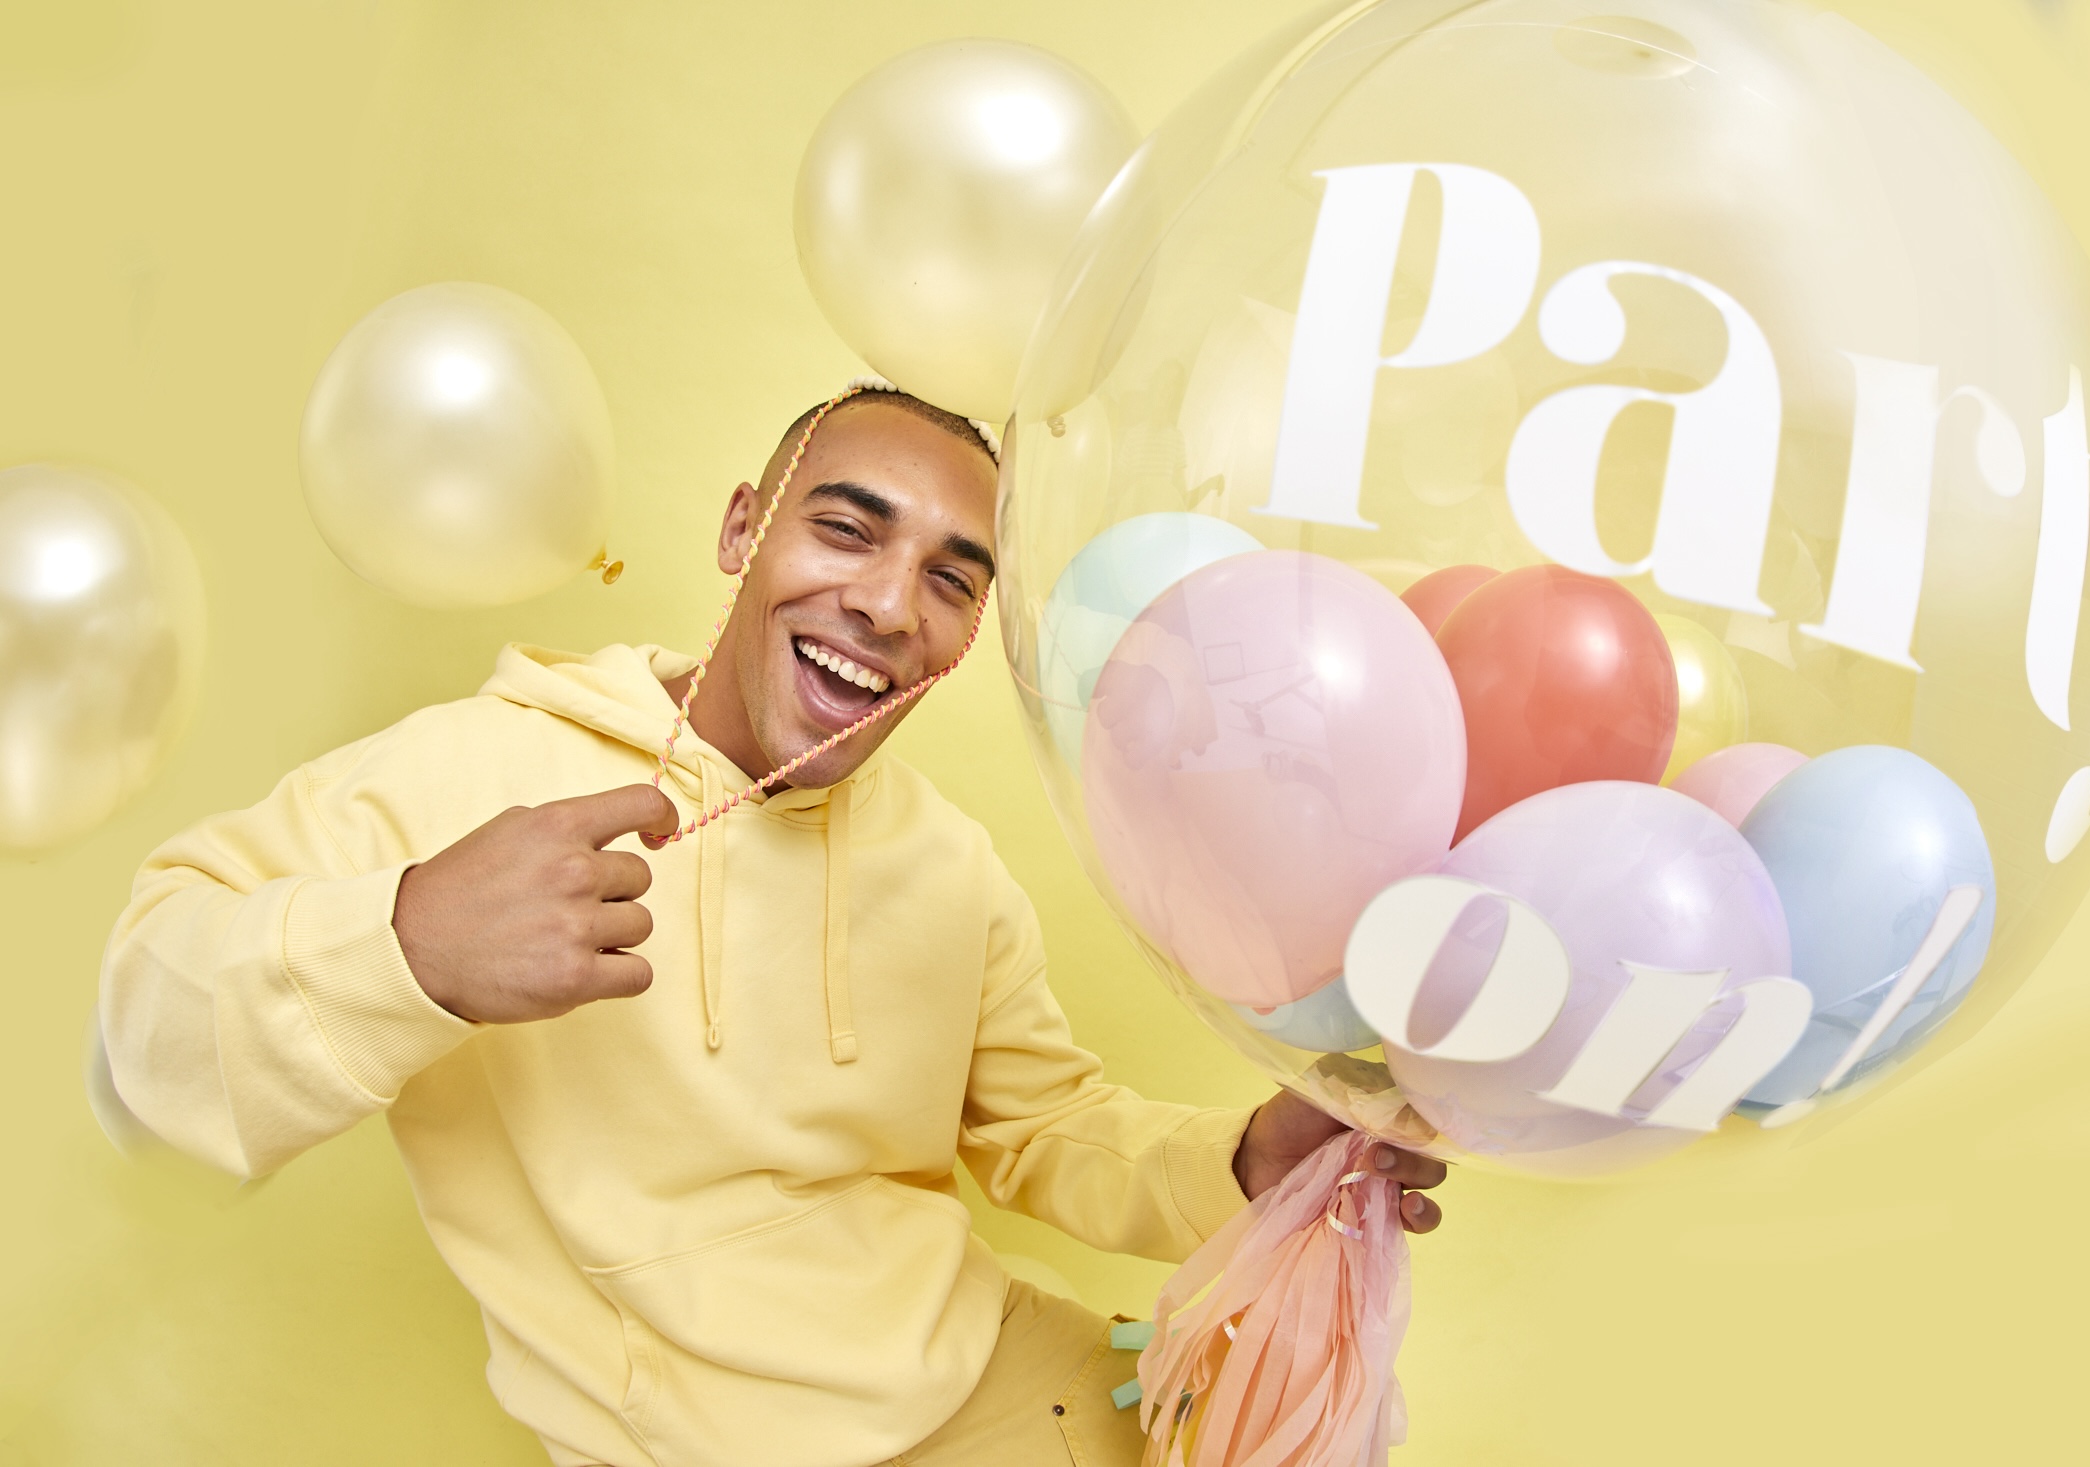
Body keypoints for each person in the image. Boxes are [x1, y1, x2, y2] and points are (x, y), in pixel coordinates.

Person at [99, 382, 1447, 1467]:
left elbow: (1047, 1133)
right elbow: (144, 1027)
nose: (883, 604)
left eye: (951, 578)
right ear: (746, 529)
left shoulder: (951, 865)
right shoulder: (473, 775)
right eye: (847, 531)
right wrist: (407, 942)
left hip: (1028, 1392)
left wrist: (1249, 1156)